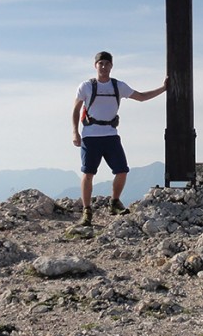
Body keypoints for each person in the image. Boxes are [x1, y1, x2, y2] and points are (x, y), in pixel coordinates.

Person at [71, 51, 167, 226]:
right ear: (95, 66)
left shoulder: (118, 86)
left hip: (111, 135)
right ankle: (86, 211)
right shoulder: (86, 86)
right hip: (90, 136)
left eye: (107, 63)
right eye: (101, 63)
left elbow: (141, 97)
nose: (104, 67)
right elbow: (76, 110)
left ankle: (114, 202)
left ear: (111, 66)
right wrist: (75, 132)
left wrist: (163, 88)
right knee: (88, 173)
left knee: (122, 170)